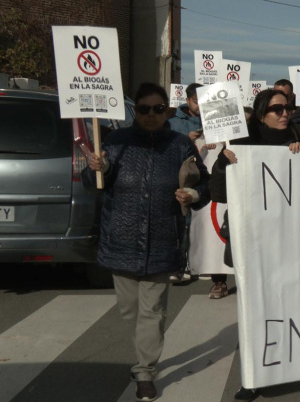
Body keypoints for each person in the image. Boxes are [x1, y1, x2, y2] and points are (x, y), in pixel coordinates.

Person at [84, 83, 210, 402]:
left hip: (163, 240)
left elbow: (204, 183)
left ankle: (145, 371)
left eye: (157, 109)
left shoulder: (180, 144)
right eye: (144, 109)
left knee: (152, 311)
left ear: (167, 110)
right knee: (130, 312)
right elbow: (93, 184)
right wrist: (96, 169)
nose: (151, 115)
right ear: (135, 110)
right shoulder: (116, 141)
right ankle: (144, 352)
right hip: (121, 241)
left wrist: (192, 194)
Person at [209, 88, 300, 401]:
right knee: (254, 311)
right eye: (277, 109)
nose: (285, 114)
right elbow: (219, 194)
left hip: (289, 243)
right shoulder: (241, 145)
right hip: (253, 241)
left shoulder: (299, 142)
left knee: (286, 308)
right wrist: (224, 164)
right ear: (262, 113)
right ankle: (252, 377)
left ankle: (284, 365)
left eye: (288, 108)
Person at [167, 82, 205, 284]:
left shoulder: (211, 119)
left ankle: (195, 263)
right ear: (188, 101)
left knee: (199, 222)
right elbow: (167, 145)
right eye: (196, 101)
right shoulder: (174, 122)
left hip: (202, 178)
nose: (200, 106)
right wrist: (186, 139)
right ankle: (179, 265)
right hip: (181, 177)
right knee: (181, 223)